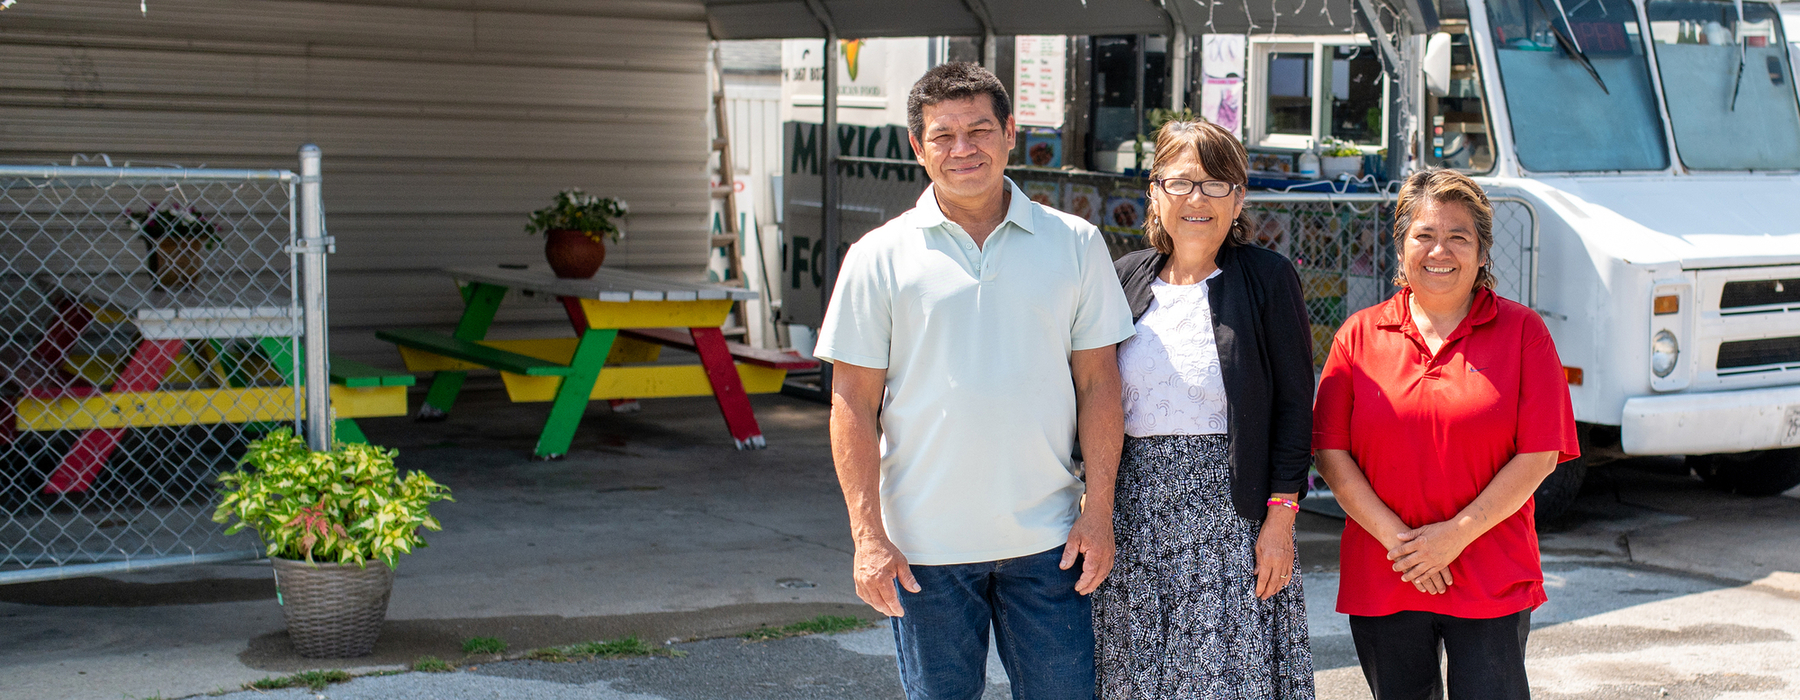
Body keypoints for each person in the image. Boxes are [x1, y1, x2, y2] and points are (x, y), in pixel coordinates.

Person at [813, 62, 1135, 700]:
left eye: (980, 130)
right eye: (944, 136)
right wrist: (867, 537)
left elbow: (1101, 386)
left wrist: (1099, 512)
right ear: (918, 147)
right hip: (922, 551)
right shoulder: (878, 256)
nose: (964, 149)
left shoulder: (1074, 243)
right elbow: (852, 402)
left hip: (1050, 543)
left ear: (1010, 133)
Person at [1312, 169, 1580, 700]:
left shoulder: (1524, 332)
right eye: (1424, 235)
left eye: (1459, 236)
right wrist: (1403, 545)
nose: (1441, 250)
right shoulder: (1359, 336)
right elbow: (1330, 454)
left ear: (1482, 253)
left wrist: (1453, 536)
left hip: (1490, 573)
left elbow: (1540, 454)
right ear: (1402, 246)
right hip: (1386, 572)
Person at [1095, 120, 1318, 700]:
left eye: (1217, 184)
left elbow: (1297, 407)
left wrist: (1280, 521)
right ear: (1155, 192)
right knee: (1137, 678)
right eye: (1182, 182)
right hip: (1136, 519)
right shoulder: (1124, 279)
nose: (1198, 198)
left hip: (1231, 523)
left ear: (1238, 198)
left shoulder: (1269, 278)